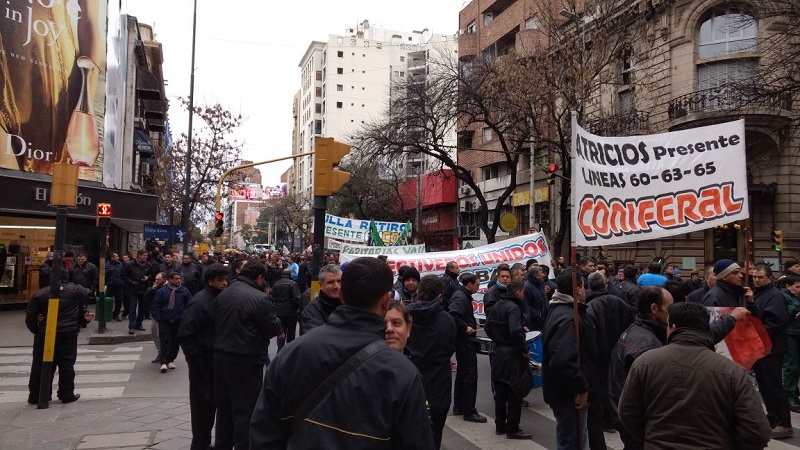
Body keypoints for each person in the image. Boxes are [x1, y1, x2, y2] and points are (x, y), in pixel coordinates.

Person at [249, 257, 435, 449]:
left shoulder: (291, 354)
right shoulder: (402, 371)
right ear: (386, 299)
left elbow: (263, 432)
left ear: (342, 296)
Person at [618, 302, 772, 449]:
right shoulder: (733, 372)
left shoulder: (644, 363)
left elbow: (627, 413)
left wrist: (650, 439)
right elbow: (758, 430)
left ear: (672, 327)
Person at [213, 260, 282, 450]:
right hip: (246, 358)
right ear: (259, 277)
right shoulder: (259, 298)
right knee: (245, 410)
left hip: (220, 357)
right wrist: (277, 322)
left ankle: (222, 445)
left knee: (225, 409)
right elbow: (270, 328)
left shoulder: (223, 294)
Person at [542, 270, 598, 450]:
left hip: (563, 391)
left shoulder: (560, 310)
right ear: (579, 289)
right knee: (572, 441)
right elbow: (563, 360)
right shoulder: (568, 317)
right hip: (569, 395)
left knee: (573, 438)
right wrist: (581, 388)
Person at [177, 263, 229, 450]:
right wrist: (195, 359)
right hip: (202, 362)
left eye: (226, 279)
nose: (225, 283)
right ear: (210, 281)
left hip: (215, 361)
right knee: (201, 408)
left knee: (212, 405)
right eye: (220, 280)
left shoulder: (220, 299)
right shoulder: (200, 301)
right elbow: (185, 334)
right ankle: (200, 444)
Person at [25, 272, 94, 404]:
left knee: (40, 364)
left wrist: (37, 329)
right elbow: (81, 313)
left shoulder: (40, 294)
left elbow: (30, 316)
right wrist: (83, 322)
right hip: (68, 332)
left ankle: (37, 394)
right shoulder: (77, 291)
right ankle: (66, 393)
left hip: (46, 332)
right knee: (66, 363)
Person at [406, 275, 457, 449]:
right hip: (438, 385)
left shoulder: (404, 318)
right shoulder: (447, 320)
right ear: (439, 295)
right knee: (434, 434)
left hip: (410, 382)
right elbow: (450, 347)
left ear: (419, 291)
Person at [585, 271, 633, 438]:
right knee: (616, 384)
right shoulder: (618, 301)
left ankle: (607, 419)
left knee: (602, 387)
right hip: (618, 349)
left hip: (601, 353)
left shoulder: (590, 307)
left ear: (589, 286)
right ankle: (614, 417)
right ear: (604, 284)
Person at [484, 280, 532, 440]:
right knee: (514, 393)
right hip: (512, 356)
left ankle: (500, 425)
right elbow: (515, 332)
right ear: (518, 292)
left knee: (501, 392)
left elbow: (487, 327)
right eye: (523, 292)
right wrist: (524, 349)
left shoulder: (498, 305)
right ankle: (513, 428)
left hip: (498, 353)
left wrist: (498, 339)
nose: (523, 295)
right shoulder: (514, 308)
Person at [751, 263, 793, 439]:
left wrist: (755, 334)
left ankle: (784, 422)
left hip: (772, 348)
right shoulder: (757, 294)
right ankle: (773, 417)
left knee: (774, 385)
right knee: (764, 385)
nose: (757, 280)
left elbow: (776, 322)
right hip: (760, 347)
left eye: (760, 277)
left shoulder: (774, 295)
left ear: (769, 278)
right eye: (754, 276)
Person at [448, 272, 486, 423]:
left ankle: (459, 406)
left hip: (463, 341)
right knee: (470, 376)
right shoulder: (460, 297)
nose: (478, 287)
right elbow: (453, 315)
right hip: (464, 341)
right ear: (469, 284)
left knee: (463, 375)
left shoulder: (462, 295)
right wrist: (465, 328)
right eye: (477, 284)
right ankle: (469, 411)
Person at [152, 271, 192, 373]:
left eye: (179, 279)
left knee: (175, 341)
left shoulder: (184, 291)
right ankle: (163, 361)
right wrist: (158, 317)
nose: (179, 281)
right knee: (165, 341)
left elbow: (189, 305)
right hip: (165, 320)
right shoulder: (162, 291)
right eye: (176, 279)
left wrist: (185, 318)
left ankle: (171, 360)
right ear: (170, 279)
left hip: (178, 320)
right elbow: (156, 304)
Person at [299, 264, 342, 335]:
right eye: (330, 282)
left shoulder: (352, 304)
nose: (336, 286)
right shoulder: (311, 311)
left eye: (339, 281)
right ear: (321, 285)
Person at [269, 268, 301, 350]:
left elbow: (271, 298)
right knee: (291, 333)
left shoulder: (276, 284)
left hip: (279, 312)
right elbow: (297, 298)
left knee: (281, 333)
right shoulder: (293, 284)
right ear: (290, 275)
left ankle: (280, 350)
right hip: (291, 312)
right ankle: (289, 350)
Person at [123, 249, 154, 335]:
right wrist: (131, 282)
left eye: (146, 255)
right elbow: (124, 275)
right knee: (132, 308)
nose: (146, 257)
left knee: (142, 308)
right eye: (144, 255)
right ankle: (131, 326)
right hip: (133, 289)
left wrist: (147, 278)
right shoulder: (130, 265)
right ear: (139, 255)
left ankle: (139, 323)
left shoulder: (149, 265)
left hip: (143, 289)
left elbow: (152, 274)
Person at [781, 275, 800, 412]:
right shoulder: (783, 296)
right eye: (797, 287)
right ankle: (789, 397)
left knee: (796, 366)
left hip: (797, 332)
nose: (799, 290)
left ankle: (794, 394)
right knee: (791, 366)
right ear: (788, 286)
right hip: (790, 334)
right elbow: (789, 312)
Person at [146, 273, 167, 362]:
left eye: (159, 279)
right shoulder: (155, 288)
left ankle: (164, 354)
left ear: (164, 279)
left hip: (163, 316)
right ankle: (160, 352)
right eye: (156, 279)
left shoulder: (166, 289)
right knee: (154, 333)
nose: (156, 281)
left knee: (160, 335)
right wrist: (152, 289)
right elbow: (146, 298)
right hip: (155, 314)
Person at [523, 265, 548, 331]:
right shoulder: (527, 287)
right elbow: (526, 305)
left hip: (544, 321)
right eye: (541, 273)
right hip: (535, 323)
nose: (543, 275)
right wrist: (538, 314)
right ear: (536, 276)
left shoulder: (540, 283)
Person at [106, 252, 126, 322]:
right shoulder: (108, 264)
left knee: (119, 300)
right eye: (116, 256)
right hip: (111, 284)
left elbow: (123, 272)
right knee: (109, 300)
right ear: (112, 258)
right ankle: (107, 314)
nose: (118, 257)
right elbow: (105, 273)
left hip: (119, 284)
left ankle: (116, 314)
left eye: (117, 256)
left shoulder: (120, 264)